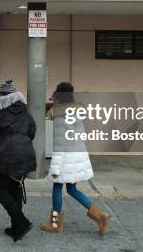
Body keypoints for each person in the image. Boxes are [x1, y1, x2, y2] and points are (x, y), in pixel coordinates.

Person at [40, 82, 110, 236]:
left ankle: (55, 225)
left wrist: (55, 168)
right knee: (71, 188)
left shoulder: (60, 115)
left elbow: (60, 144)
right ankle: (100, 215)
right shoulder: (76, 111)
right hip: (76, 156)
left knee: (57, 187)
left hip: (64, 158)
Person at [0, 79, 37, 242]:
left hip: (7, 154)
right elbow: (32, 131)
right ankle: (16, 228)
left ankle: (21, 222)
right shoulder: (25, 112)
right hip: (26, 153)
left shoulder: (1, 112)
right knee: (14, 187)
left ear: (1, 96)